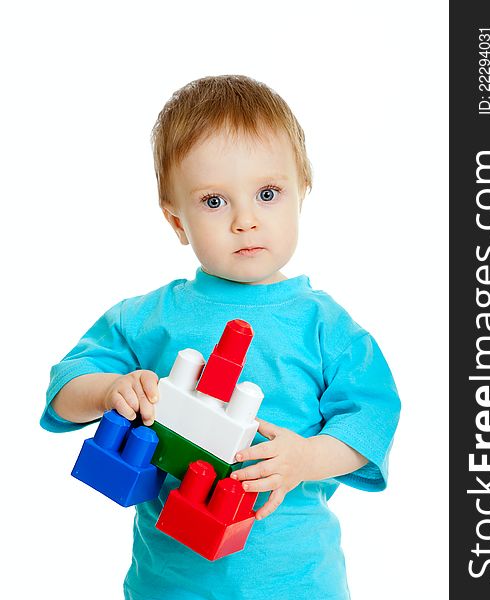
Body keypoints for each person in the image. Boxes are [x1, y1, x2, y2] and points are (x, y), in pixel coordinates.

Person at [41, 74, 401, 600]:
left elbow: (372, 420)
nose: (245, 221)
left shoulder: (329, 328)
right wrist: (108, 390)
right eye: (214, 202)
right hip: (168, 585)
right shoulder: (148, 317)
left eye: (268, 194)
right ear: (176, 220)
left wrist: (306, 459)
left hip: (299, 583)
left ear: (302, 194)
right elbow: (64, 390)